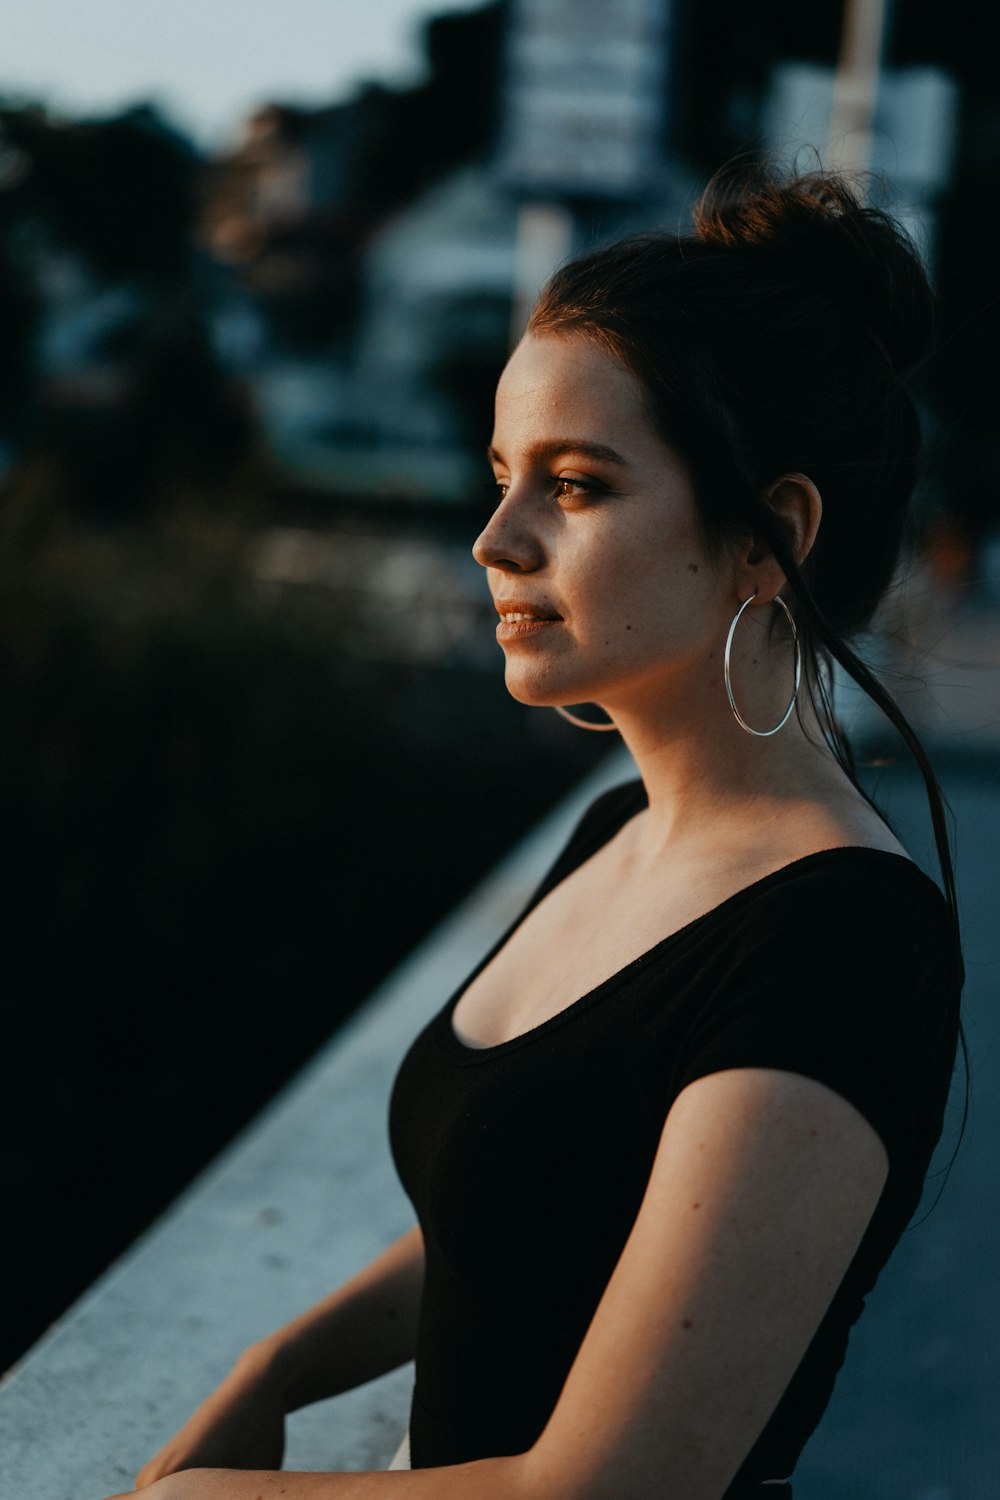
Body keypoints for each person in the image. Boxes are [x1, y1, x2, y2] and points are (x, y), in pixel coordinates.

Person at [108, 164, 964, 1500]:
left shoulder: (840, 941)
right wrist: (282, 1362)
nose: (493, 539)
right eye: (503, 475)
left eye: (574, 485)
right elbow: (524, 1204)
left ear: (768, 536)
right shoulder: (620, 829)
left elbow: (613, 1486)